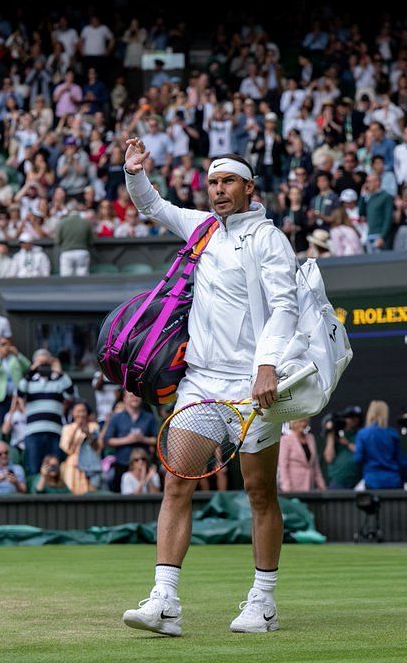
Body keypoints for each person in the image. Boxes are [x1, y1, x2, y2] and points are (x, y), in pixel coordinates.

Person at [122, 139, 299, 636]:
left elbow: (285, 305)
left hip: (253, 386)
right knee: (177, 480)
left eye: (228, 183)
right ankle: (165, 602)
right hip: (200, 381)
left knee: (259, 492)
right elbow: (152, 205)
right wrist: (134, 172)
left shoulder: (269, 239)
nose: (218, 191)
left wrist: (267, 365)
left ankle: (262, 602)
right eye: (213, 183)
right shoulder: (202, 228)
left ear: (249, 187)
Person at [17, 348, 74, 475]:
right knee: (34, 468)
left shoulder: (58, 380)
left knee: (54, 469)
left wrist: (58, 371)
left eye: (46, 364)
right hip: (33, 432)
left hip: (54, 432)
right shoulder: (29, 381)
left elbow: (70, 394)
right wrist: (32, 369)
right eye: (41, 364)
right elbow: (20, 392)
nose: (44, 367)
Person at [104, 390, 157, 493]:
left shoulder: (149, 418)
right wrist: (127, 440)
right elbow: (107, 440)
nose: (135, 398)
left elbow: (158, 439)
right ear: (124, 398)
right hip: (122, 464)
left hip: (143, 464)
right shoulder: (116, 417)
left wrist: (143, 439)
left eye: (137, 395)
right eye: (131, 396)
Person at [354, 400, 403, 489]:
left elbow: (358, 458)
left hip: (372, 480)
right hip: (393, 480)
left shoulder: (363, 434)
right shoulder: (393, 434)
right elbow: (400, 460)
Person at [0, 337, 30, 425]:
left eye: (7, 344)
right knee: (0, 424)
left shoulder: (15, 359)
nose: (6, 347)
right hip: (0, 398)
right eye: (3, 345)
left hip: (16, 398)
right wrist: (0, 357)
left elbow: (28, 367)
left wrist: (18, 354)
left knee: (17, 423)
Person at [59, 402, 100, 494]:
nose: (81, 414)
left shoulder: (93, 426)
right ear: (73, 413)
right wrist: (76, 428)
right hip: (73, 464)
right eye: (78, 411)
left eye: (83, 411)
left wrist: (88, 434)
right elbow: (67, 449)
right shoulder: (67, 428)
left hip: (90, 464)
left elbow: (97, 447)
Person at [278, 419, 325, 492]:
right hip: (293, 487)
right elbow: (283, 466)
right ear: (293, 423)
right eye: (300, 421)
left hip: (309, 486)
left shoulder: (310, 438)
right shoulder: (286, 440)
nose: (303, 424)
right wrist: (287, 488)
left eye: (305, 421)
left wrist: (322, 486)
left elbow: (315, 465)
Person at [323, 406, 362, 489]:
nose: (351, 421)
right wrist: (331, 433)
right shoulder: (336, 436)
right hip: (338, 480)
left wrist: (347, 443)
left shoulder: (360, 434)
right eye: (348, 418)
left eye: (354, 418)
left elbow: (360, 451)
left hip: (357, 481)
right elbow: (329, 458)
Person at [55, 206, 93, 276]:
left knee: (66, 279)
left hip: (67, 252)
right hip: (82, 252)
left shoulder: (62, 222)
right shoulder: (86, 222)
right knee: (82, 279)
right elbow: (90, 240)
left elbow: (58, 240)